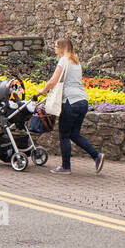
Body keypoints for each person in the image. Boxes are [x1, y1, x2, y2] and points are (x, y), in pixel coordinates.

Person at [38, 37, 105, 174]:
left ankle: (65, 167)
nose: (55, 49)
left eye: (56, 47)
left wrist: (41, 92)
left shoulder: (63, 60)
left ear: (62, 48)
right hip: (82, 101)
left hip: (70, 102)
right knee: (74, 134)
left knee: (64, 135)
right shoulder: (76, 61)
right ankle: (96, 156)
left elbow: (53, 81)